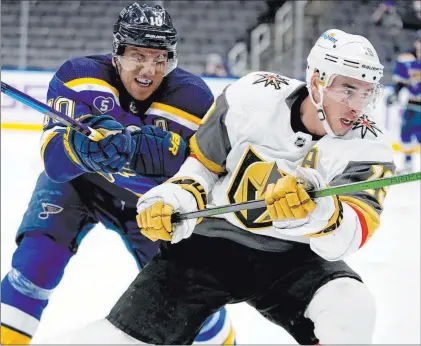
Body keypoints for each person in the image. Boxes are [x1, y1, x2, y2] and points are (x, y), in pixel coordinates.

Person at [46, 29, 396, 345]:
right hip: (211, 245)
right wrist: (170, 201)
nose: (357, 105)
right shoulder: (253, 96)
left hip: (294, 257)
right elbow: (202, 166)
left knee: (352, 306)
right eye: (347, 88)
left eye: (367, 92)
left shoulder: (369, 145)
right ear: (318, 81)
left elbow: (353, 231)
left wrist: (317, 211)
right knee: (117, 340)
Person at [0, 3, 235, 345]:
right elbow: (54, 161)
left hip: (151, 203)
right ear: (117, 53)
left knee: (189, 295)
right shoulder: (78, 78)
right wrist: (81, 149)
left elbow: (210, 175)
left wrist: (172, 162)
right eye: (138, 55)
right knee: (34, 265)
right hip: (78, 188)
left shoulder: (194, 100)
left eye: (160, 58)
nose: (149, 68)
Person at [387, 30, 421, 173]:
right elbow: (401, 82)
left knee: (418, 132)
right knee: (406, 132)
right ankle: (407, 164)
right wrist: (395, 94)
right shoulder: (407, 58)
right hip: (412, 103)